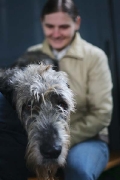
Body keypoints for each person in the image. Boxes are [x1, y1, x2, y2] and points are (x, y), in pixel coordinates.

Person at [27, 0, 113, 179]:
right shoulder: (31, 56)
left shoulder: (95, 57)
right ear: (42, 23)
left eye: (64, 27)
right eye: (50, 26)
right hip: (40, 138)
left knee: (78, 168)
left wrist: (59, 141)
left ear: (77, 23)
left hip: (88, 139)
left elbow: (102, 114)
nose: (56, 33)